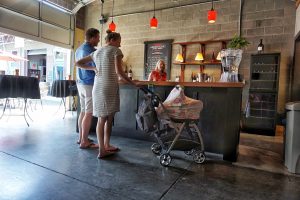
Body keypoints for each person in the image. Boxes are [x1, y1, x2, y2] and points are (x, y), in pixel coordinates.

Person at [75, 30, 139, 158]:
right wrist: (133, 83)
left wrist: (93, 68)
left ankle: (104, 147)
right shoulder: (116, 51)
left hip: (97, 88)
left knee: (102, 119)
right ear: (112, 40)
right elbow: (120, 72)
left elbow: (78, 63)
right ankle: (104, 147)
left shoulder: (96, 51)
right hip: (109, 88)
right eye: (119, 42)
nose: (120, 45)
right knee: (108, 119)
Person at [75, 28, 100, 149]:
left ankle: (81, 138)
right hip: (89, 83)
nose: (99, 40)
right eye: (97, 37)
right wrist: (93, 69)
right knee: (89, 113)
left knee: (84, 112)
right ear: (92, 38)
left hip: (80, 84)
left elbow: (78, 64)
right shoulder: (90, 50)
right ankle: (84, 141)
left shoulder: (78, 49)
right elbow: (96, 67)